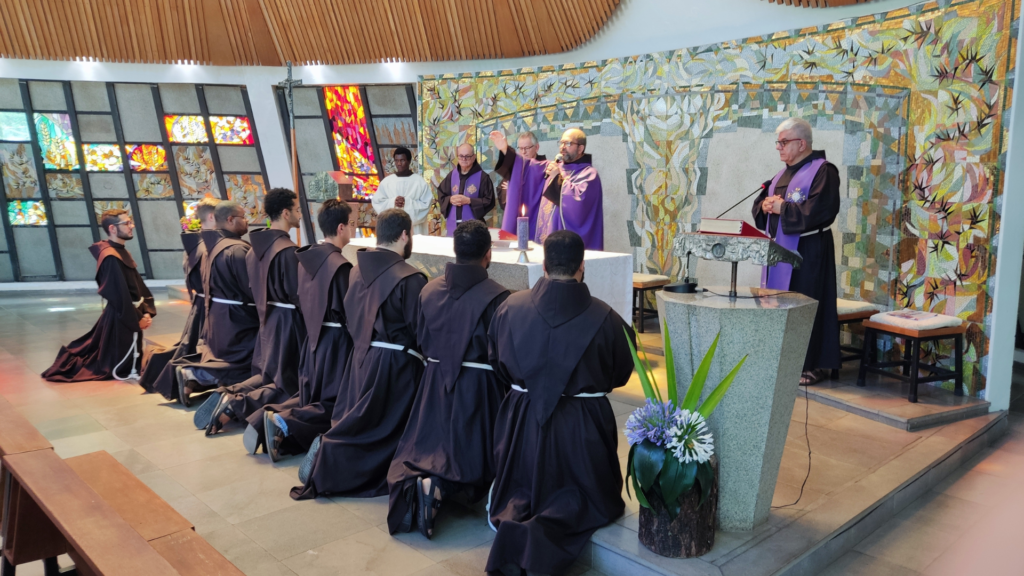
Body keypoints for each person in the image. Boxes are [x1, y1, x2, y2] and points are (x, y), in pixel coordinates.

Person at [485, 230, 634, 576]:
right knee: (585, 500)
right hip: (583, 427)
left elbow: (496, 361)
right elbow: (621, 373)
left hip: (523, 422)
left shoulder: (510, 308)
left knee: (519, 494)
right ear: (582, 266)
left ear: (544, 265)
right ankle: (539, 537)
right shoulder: (607, 318)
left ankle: (521, 534)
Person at [291, 208, 428, 500]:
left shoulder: (355, 269)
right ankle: (328, 453)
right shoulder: (410, 277)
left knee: (364, 421)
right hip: (395, 364)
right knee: (383, 430)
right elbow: (420, 331)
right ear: (405, 235)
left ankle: (328, 447)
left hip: (360, 356)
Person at [386, 220, 510, 539]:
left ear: (455, 252)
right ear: (488, 254)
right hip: (479, 389)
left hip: (434, 384)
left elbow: (421, 338)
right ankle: (440, 485)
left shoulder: (429, 290)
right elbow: (503, 355)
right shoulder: (500, 298)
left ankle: (425, 481)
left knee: (427, 446)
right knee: (480, 454)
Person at [246, 199, 357, 461]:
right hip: (336, 342)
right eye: (352, 224)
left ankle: (264, 419)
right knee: (336, 400)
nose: (353, 229)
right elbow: (350, 312)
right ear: (341, 228)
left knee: (312, 395)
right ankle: (284, 422)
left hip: (313, 340)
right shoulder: (341, 266)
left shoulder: (305, 258)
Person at [197, 189, 306, 439]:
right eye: (297, 210)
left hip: (267, 319)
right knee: (286, 381)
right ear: (286, 213)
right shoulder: (288, 250)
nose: (300, 214)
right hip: (288, 321)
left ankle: (230, 392)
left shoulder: (254, 248)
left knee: (267, 375)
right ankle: (235, 405)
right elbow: (298, 293)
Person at [751, 117, 840, 386]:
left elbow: (822, 210)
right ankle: (779, 360)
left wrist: (783, 208)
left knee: (804, 305)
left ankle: (810, 365)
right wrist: (764, 206)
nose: (778, 147)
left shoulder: (823, 171)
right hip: (778, 249)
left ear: (801, 144)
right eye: (778, 142)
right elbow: (761, 206)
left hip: (809, 251)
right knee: (777, 302)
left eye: (783, 142)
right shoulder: (779, 175)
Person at [42, 209, 156, 382]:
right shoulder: (110, 256)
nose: (131, 226)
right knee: (111, 364)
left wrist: (146, 311)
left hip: (131, 312)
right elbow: (118, 294)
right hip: (121, 316)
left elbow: (137, 284)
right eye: (126, 223)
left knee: (129, 360)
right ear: (112, 228)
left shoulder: (121, 251)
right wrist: (137, 318)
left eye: (130, 222)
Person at [174, 201, 260, 407]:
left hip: (219, 311)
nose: (247, 222)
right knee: (246, 356)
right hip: (237, 313)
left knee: (231, 356)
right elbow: (251, 287)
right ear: (230, 220)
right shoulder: (237, 249)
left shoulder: (213, 245)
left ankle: (195, 379)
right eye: (243, 217)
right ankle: (198, 375)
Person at [141, 197, 219, 400]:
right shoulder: (208, 246)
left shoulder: (196, 242)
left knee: (194, 346)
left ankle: (187, 378)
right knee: (210, 350)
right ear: (212, 217)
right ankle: (190, 376)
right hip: (211, 305)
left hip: (203, 302)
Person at [490, 128, 604, 249]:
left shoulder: (589, 174)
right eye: (561, 143)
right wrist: (505, 150)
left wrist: (557, 178)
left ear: (580, 148)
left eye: (568, 143)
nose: (562, 147)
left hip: (568, 244)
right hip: (544, 240)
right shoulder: (552, 167)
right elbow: (524, 168)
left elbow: (579, 205)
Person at [493, 131, 546, 240]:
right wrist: (510, 191)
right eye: (521, 148)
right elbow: (504, 201)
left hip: (536, 219)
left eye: (527, 148)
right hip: (516, 220)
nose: (523, 152)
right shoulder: (515, 169)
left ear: (536, 147)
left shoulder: (545, 168)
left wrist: (517, 187)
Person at [436, 143, 495, 236]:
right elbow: (441, 194)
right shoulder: (452, 175)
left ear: (474, 157)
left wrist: (469, 201)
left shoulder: (482, 177)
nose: (464, 159)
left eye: (467, 156)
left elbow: (489, 200)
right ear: (457, 156)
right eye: (461, 156)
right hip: (454, 227)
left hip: (474, 229)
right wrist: (450, 199)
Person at [372, 147, 433, 235]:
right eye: (396, 160)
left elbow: (426, 205)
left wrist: (407, 203)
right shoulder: (387, 182)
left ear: (409, 161)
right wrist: (393, 202)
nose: (399, 163)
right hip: (393, 227)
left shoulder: (419, 182)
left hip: (414, 229)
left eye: (402, 160)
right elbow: (378, 202)